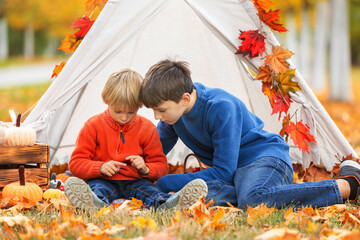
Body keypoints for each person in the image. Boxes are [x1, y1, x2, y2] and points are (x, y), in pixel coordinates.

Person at [139, 59, 360, 209]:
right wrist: (129, 167)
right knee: (216, 192)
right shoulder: (173, 115)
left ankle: (347, 185)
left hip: (264, 158)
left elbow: (223, 172)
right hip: (236, 172)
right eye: (154, 111)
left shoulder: (221, 107)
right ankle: (252, 191)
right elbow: (152, 151)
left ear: (185, 99)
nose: (157, 117)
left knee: (253, 199)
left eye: (161, 110)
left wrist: (166, 181)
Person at [65, 69, 208, 211]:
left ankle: (168, 205)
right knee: (97, 190)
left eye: (131, 112)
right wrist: (100, 167)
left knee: (153, 193)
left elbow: (161, 166)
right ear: (107, 101)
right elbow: (76, 164)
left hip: (137, 181)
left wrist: (146, 168)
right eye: (118, 111)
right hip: (102, 180)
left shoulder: (147, 128)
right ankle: (96, 206)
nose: (124, 118)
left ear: (140, 105)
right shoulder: (93, 126)